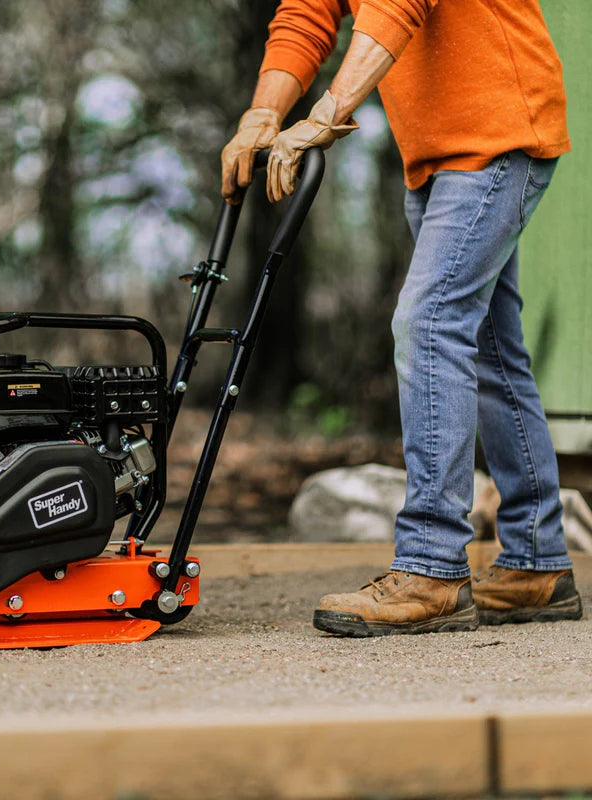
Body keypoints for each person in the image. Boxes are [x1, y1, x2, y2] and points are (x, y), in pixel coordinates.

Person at [221, 0, 583, 636]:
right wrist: (263, 112)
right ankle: (536, 562)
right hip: (437, 153)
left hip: (497, 133)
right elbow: (308, 13)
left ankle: (432, 567)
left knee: (430, 323)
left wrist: (327, 113)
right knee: (491, 349)